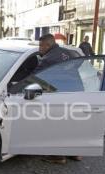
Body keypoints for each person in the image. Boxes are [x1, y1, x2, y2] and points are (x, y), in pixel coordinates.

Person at [37, 34, 82, 164]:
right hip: (78, 93)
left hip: (59, 95)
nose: (39, 48)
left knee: (57, 124)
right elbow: (79, 63)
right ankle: (75, 153)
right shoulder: (69, 53)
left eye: (41, 45)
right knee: (73, 124)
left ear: (48, 45)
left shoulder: (47, 59)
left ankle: (57, 156)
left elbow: (34, 77)